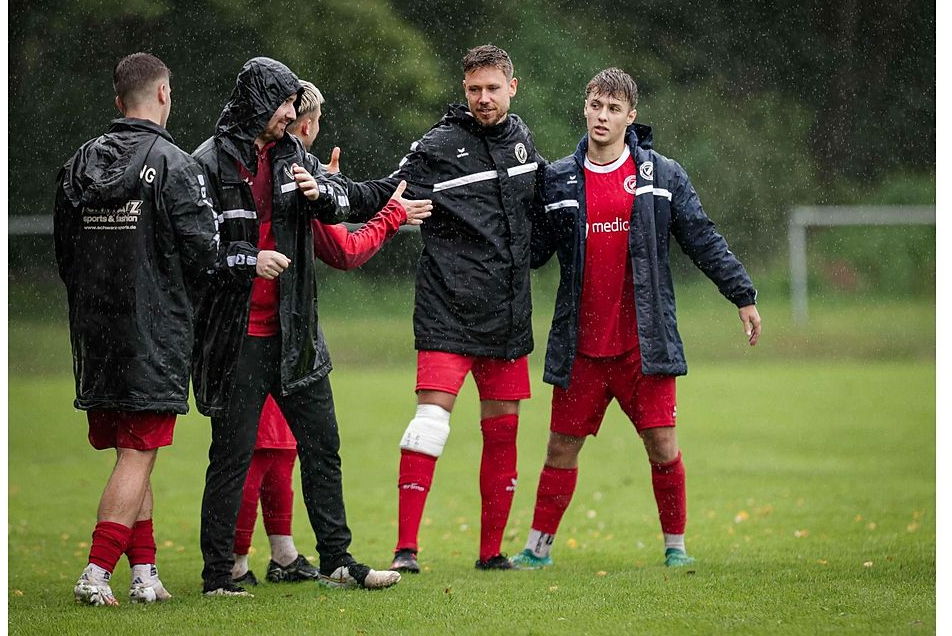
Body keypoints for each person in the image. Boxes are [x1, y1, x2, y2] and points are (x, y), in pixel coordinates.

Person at [510, 67, 762, 571]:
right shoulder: (558, 177)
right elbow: (533, 252)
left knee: (663, 444)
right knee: (560, 447)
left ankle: (676, 548)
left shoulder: (661, 176)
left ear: (631, 115)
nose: (602, 117)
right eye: (595, 106)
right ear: (585, 107)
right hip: (581, 346)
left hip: (643, 345)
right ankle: (537, 550)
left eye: (613, 108)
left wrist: (742, 294)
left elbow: (701, 237)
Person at [192, 56, 415, 595]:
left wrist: (341, 193)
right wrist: (250, 261)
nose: (293, 113)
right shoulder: (207, 162)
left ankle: (338, 560)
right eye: (285, 103)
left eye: (294, 104)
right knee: (231, 455)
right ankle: (219, 575)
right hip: (239, 337)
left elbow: (342, 204)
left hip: (296, 335)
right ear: (259, 104)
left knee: (323, 447)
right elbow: (195, 246)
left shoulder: (294, 154)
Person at [335, 45, 545, 573]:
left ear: (511, 88)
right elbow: (384, 192)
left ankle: (491, 553)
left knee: (503, 433)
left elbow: (540, 214)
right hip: (446, 311)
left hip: (508, 315)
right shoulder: (438, 145)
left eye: (493, 88)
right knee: (429, 424)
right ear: (464, 89)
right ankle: (406, 551)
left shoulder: (522, 141)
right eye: (474, 89)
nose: (483, 98)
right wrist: (332, 192)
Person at [53, 52, 221, 605]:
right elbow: (205, 255)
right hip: (152, 332)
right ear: (165, 94)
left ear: (117, 100)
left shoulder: (80, 162)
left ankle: (145, 573)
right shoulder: (174, 163)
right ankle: (97, 572)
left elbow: (65, 252)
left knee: (128, 449)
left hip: (95, 333)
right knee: (139, 453)